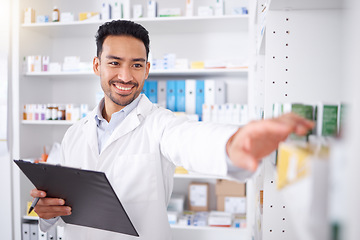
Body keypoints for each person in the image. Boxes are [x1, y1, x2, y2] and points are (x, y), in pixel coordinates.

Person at [30, 20, 314, 240]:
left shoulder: (160, 123)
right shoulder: (74, 133)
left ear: (147, 69)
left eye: (136, 65)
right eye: (114, 63)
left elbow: (190, 139)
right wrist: (45, 214)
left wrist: (232, 145)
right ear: (97, 65)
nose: (126, 76)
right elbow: (59, 202)